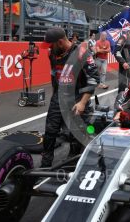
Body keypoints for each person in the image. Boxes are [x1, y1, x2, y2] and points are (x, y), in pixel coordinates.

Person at [40, 27, 99, 167]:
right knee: (50, 131)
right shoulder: (52, 53)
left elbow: (93, 79)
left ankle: (72, 162)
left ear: (60, 42)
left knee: (76, 132)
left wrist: (83, 103)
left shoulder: (81, 53)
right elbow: (54, 74)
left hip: (77, 97)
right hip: (59, 96)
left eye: (51, 44)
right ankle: (45, 164)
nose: (49, 48)